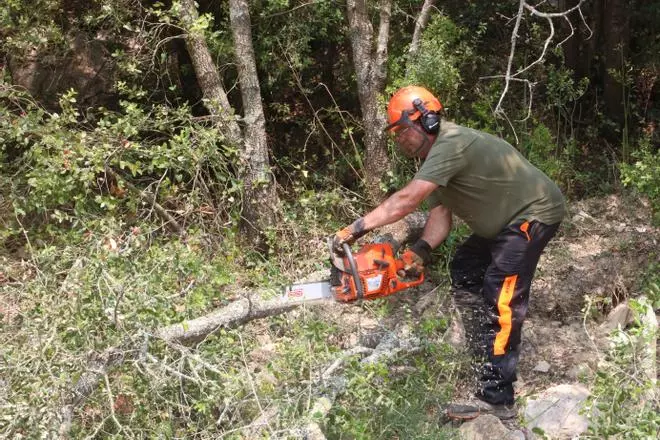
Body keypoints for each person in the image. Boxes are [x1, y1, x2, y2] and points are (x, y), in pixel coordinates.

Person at [332, 85, 566, 419]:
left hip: (533, 215)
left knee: (502, 295)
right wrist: (420, 250)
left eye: (401, 130)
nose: (399, 139)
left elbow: (406, 200)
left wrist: (354, 230)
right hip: (504, 224)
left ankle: (497, 400)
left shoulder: (451, 142)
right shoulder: (434, 159)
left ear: (425, 119)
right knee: (465, 268)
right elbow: (439, 215)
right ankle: (486, 357)